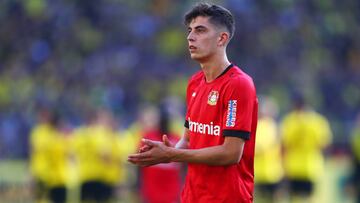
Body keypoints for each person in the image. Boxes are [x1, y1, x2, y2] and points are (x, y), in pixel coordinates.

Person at [128, 3, 258, 203]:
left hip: (228, 198)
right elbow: (188, 141)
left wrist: (171, 154)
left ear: (222, 38)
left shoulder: (238, 85)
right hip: (192, 196)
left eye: (200, 30)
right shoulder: (195, 83)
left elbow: (231, 153)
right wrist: (166, 152)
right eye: (189, 30)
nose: (190, 37)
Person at [280, 94, 332, 203]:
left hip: (293, 166)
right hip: (311, 166)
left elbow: (284, 145)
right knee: (309, 198)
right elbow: (324, 144)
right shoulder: (318, 121)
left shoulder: (289, 120)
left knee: (294, 198)